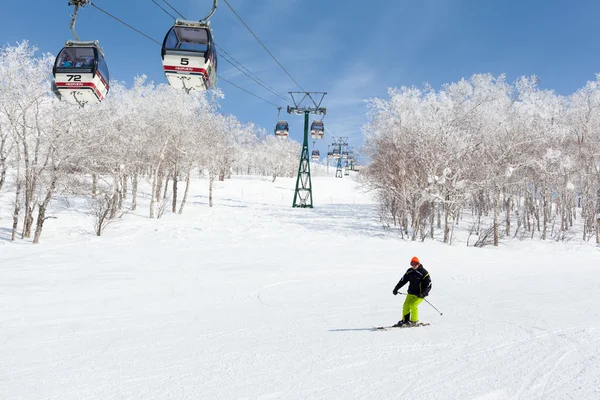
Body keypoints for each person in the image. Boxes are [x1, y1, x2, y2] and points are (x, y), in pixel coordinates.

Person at [392, 256, 432, 327]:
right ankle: (405, 320)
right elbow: (403, 281)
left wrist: (423, 293)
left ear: (418, 263)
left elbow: (429, 285)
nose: (413, 266)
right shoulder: (409, 271)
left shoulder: (424, 272)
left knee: (413, 305)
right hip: (411, 292)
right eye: (412, 264)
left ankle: (414, 321)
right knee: (406, 305)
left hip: (420, 294)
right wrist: (396, 288)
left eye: (415, 264)